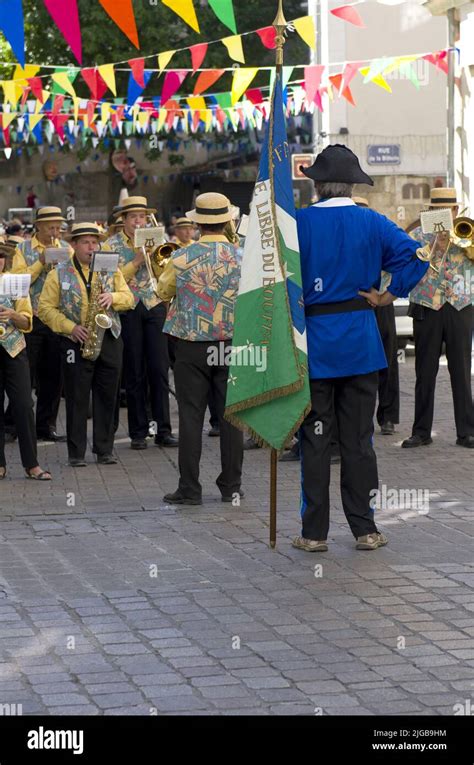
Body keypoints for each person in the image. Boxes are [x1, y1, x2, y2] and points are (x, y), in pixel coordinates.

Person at [292, 145, 429, 553]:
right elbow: (417, 257)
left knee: (315, 439)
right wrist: (389, 295)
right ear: (352, 184)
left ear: (316, 184)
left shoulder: (297, 223)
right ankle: (365, 529)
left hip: (314, 344)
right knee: (358, 440)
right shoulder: (371, 220)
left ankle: (313, 534)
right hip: (359, 342)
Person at [157, 192, 244, 505]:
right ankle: (231, 486)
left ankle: (190, 488)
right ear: (227, 220)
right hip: (231, 345)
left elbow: (161, 290)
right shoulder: (242, 255)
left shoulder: (181, 256)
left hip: (191, 346)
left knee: (191, 416)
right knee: (232, 417)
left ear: (197, 223)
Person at [38, 223, 134, 467]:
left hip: (109, 338)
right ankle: (76, 453)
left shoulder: (109, 269)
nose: (92, 247)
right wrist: (70, 327)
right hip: (75, 340)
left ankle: (104, 450)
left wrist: (113, 297)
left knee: (107, 396)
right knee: (77, 397)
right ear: (74, 245)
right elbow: (45, 309)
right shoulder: (58, 273)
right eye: (86, 242)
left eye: (95, 242)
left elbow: (129, 298)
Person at [402, 188, 474, 449]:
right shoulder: (417, 236)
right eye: (438, 210)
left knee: (462, 371)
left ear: (456, 211)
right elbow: (409, 266)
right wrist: (435, 244)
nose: (445, 214)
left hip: (461, 307)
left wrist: (459, 241)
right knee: (425, 371)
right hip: (427, 307)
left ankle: (467, 432)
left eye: (450, 210)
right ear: (431, 211)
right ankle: (421, 432)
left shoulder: (468, 232)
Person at [103, 196, 178, 449]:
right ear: (123, 219)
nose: (138, 221)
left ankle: (163, 429)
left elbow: (166, 274)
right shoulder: (111, 244)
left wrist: (156, 255)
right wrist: (136, 261)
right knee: (134, 370)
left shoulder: (156, 239)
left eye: (142, 217)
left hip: (154, 305)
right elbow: (111, 279)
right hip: (128, 307)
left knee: (159, 369)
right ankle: (137, 431)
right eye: (133, 217)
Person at [12, 207, 72, 442]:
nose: (55, 232)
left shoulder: (65, 248)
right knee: (24, 376)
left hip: (56, 318)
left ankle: (45, 425)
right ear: (38, 227)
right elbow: (18, 283)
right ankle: (14, 423)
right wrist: (40, 262)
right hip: (32, 318)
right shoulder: (22, 249)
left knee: (53, 376)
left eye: (58, 227)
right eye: (51, 227)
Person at [0, 242, 52, 480]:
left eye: (1, 257)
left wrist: (12, 314)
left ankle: (32, 464)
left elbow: (27, 321)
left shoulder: (13, 281)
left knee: (23, 405)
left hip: (14, 350)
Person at [354, 197, 400, 435]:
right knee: (360, 365)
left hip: (381, 302)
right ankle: (362, 416)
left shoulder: (380, 237)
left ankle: (388, 416)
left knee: (389, 360)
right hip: (355, 304)